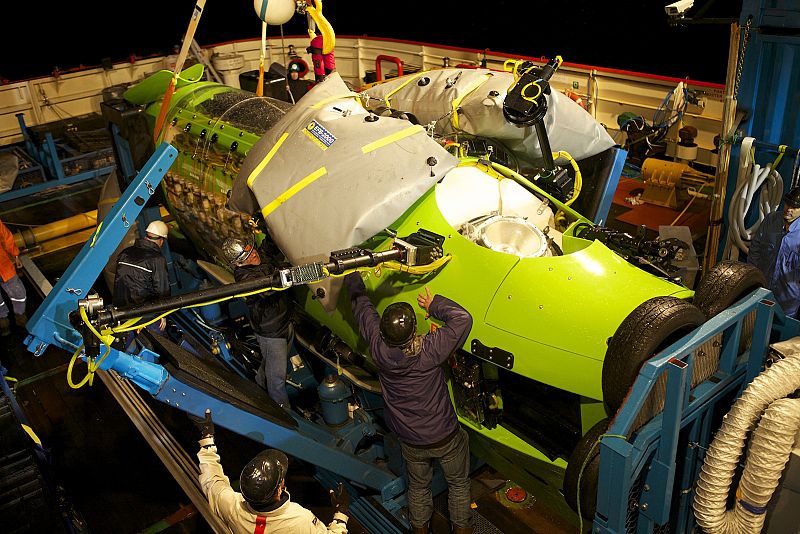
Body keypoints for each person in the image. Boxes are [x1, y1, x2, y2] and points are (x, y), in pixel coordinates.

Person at [343, 272, 475, 534]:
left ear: (383, 333)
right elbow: (463, 318)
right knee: (458, 484)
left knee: (418, 486)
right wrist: (433, 304)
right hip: (444, 436)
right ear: (414, 330)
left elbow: (362, 308)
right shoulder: (431, 349)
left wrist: (350, 274)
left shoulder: (379, 350)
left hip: (410, 439)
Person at [196, 409, 350, 533]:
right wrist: (341, 512)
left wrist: (207, 438)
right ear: (278, 491)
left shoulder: (231, 507)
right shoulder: (299, 521)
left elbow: (212, 480)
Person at [222, 236, 292, 408]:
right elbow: (268, 287)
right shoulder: (246, 279)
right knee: (277, 379)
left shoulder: (256, 257)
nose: (254, 254)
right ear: (238, 264)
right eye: (248, 256)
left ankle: (259, 383)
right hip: (271, 332)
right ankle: (282, 412)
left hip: (284, 321)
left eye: (252, 249)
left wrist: (271, 227)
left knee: (270, 364)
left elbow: (267, 248)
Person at [747, 186, 800, 318]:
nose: (789, 209)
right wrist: (753, 279)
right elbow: (755, 249)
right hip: (759, 293)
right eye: (788, 204)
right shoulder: (771, 220)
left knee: (780, 336)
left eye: (795, 207)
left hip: (787, 303)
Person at [113, 220, 171, 339]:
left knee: (130, 345)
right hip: (146, 316)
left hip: (123, 313)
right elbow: (162, 289)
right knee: (163, 345)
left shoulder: (125, 253)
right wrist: (163, 314)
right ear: (161, 240)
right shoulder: (157, 259)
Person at [0, 219, 27, 336]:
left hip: (3, 264)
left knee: (18, 292)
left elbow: (6, 237)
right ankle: (3, 322)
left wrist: (15, 255)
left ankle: (20, 317)